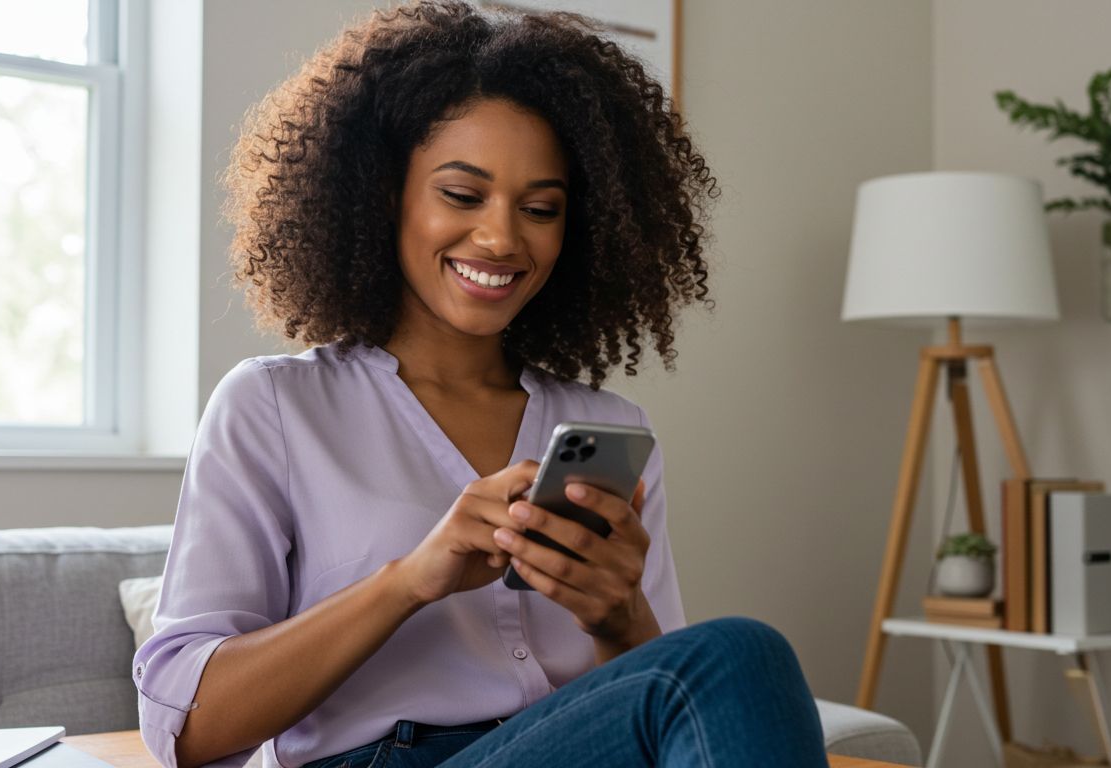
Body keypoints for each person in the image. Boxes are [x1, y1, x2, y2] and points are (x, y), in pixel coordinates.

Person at [132, 2, 829, 767]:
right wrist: (409, 581)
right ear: (381, 193)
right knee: (742, 650)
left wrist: (619, 617)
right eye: (462, 195)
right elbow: (184, 732)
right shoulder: (275, 407)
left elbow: (663, 697)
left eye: (540, 209)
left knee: (733, 659)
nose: (501, 237)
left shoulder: (605, 426)